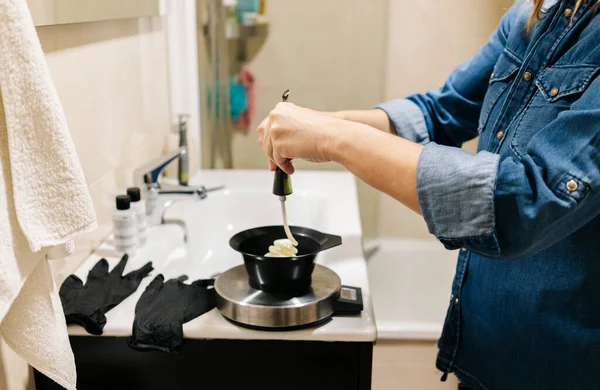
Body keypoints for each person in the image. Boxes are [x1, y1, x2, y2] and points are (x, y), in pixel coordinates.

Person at [257, 0, 600, 389]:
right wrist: (314, 125)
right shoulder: (534, 12)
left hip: (562, 368)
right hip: (485, 351)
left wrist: (334, 139)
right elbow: (442, 111)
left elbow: (524, 200)